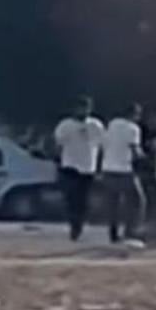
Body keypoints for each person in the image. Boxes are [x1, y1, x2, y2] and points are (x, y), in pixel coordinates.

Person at [54, 96, 104, 242]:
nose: (83, 110)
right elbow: (58, 145)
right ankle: (74, 224)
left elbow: (101, 145)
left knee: (83, 200)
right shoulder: (65, 125)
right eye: (80, 107)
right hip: (70, 165)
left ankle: (78, 224)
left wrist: (99, 166)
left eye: (86, 107)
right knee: (71, 198)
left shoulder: (96, 125)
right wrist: (58, 163)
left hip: (88, 167)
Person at [102, 103, 146, 244]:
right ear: (134, 115)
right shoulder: (133, 128)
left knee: (113, 203)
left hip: (108, 168)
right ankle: (131, 230)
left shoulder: (112, 124)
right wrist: (145, 157)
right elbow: (135, 150)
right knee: (137, 200)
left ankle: (113, 232)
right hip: (124, 170)